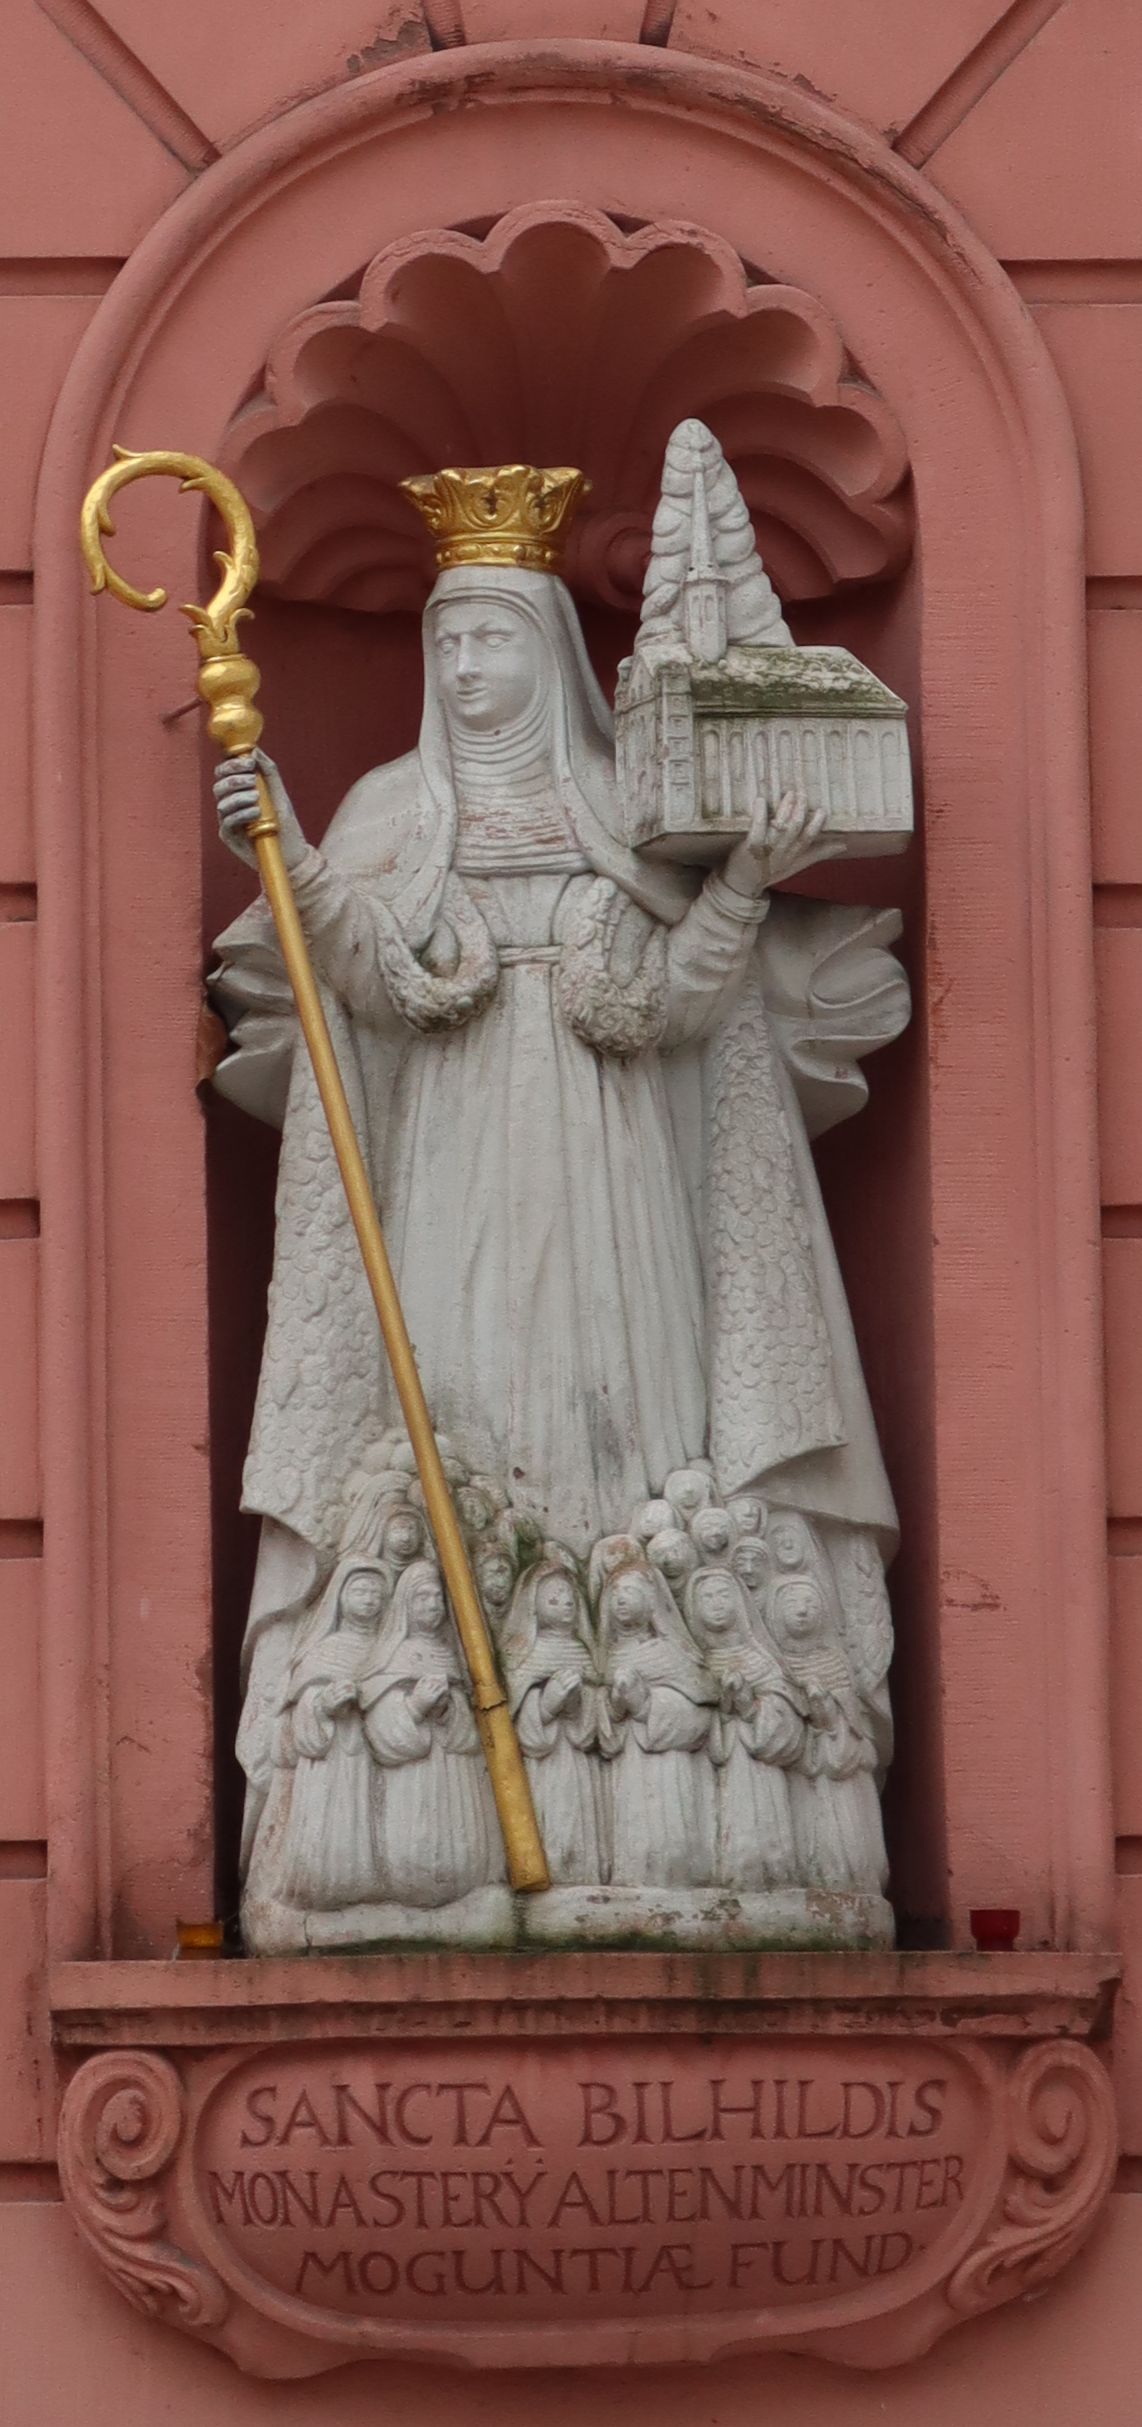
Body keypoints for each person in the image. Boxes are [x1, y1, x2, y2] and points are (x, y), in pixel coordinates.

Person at [211, 444, 905, 1940]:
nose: (466, 667)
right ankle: (459, 1757)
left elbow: (669, 1008)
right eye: (444, 639)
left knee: (640, 1435)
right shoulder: (393, 812)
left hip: (622, 1193)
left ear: (542, 655)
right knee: (455, 1438)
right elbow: (369, 984)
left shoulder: (624, 806)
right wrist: (287, 849)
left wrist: (733, 888)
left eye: (491, 639)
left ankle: (652, 1741)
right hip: (451, 1191)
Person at [245, 1558, 389, 1913]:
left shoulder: (393, 1648)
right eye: (359, 1590)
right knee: (337, 1832)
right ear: (340, 1596)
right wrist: (323, 1703)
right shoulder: (323, 1651)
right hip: (335, 1755)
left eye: (375, 1591)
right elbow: (295, 1713)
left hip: (383, 1755)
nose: (368, 1598)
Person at [358, 1560, 503, 1909]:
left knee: (462, 1839)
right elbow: (381, 1728)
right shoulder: (391, 1655)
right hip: (413, 1776)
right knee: (415, 1843)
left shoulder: (453, 1656)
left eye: (438, 1598)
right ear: (406, 1603)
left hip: (454, 1770)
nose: (433, 1606)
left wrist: (449, 1711)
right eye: (423, 1598)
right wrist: (415, 1707)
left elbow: (472, 1734)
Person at [767, 1574, 887, 1894]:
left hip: (836, 1758)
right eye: (792, 1604)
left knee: (843, 1830)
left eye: (810, 1604)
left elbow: (852, 1718)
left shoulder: (834, 1660)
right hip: (799, 1760)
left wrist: (827, 1709)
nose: (802, 1611)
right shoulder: (775, 1662)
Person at [599, 1562, 717, 1888]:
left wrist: (647, 1705)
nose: (621, 1600)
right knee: (631, 1842)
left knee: (669, 1847)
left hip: (668, 1769)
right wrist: (614, 1709)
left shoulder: (670, 1652)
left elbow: (700, 1718)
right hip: (625, 1770)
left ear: (651, 1602)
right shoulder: (605, 1659)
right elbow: (602, 1732)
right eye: (615, 1593)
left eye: (631, 1592)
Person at [685, 1567, 802, 1890]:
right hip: (703, 1768)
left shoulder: (760, 1660)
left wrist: (751, 1706)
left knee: (754, 1844)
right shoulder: (692, 1659)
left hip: (753, 1770)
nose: (717, 1603)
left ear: (739, 1602)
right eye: (707, 1597)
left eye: (724, 1595)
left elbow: (787, 1720)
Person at [499, 1562, 607, 1885]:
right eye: (553, 1599)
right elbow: (511, 1721)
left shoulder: (582, 1653)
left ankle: (584, 1873)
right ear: (532, 1604)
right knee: (550, 1819)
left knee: (581, 1818)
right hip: (541, 1765)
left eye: (569, 1599)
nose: (565, 1605)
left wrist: (577, 1705)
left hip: (579, 1760)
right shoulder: (522, 1654)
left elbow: (596, 1719)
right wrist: (545, 1706)